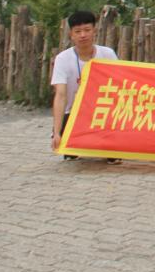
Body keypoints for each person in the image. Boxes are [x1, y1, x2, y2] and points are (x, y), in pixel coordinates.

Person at [49, 10, 118, 161]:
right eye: (78, 31)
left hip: (102, 111)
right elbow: (60, 95)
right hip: (74, 113)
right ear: (71, 35)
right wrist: (56, 132)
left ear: (95, 31)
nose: (83, 35)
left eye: (87, 30)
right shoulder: (62, 59)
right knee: (70, 153)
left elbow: (119, 86)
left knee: (113, 152)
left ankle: (110, 146)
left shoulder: (108, 54)